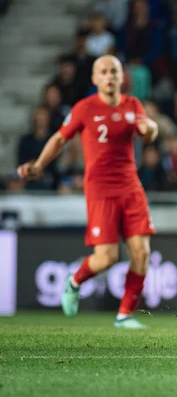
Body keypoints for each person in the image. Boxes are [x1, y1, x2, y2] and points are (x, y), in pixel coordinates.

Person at [17, 55, 159, 329]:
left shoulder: (132, 104)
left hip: (130, 186)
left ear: (121, 77)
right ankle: (74, 281)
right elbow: (60, 138)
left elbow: (149, 132)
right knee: (107, 258)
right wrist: (39, 165)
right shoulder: (85, 108)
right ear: (95, 79)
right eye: (103, 72)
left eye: (113, 72)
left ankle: (124, 315)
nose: (109, 76)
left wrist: (150, 127)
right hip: (100, 188)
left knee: (141, 253)